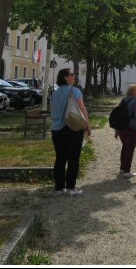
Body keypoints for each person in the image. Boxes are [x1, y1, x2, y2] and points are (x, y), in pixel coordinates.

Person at [50, 68, 91, 196]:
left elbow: (53, 110)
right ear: (65, 78)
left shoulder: (54, 93)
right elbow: (82, 109)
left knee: (60, 159)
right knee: (73, 159)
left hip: (56, 129)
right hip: (72, 128)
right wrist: (87, 125)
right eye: (71, 74)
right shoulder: (74, 91)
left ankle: (59, 188)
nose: (74, 76)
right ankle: (71, 188)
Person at [114, 84, 136, 178]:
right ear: (134, 91)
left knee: (125, 147)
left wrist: (116, 130)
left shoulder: (123, 100)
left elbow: (118, 116)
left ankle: (122, 168)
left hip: (121, 128)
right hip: (132, 128)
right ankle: (127, 171)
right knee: (130, 149)